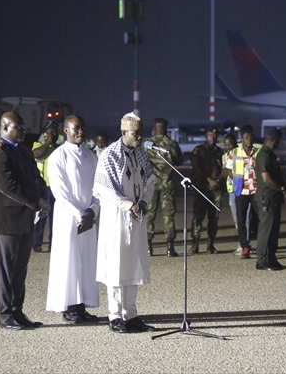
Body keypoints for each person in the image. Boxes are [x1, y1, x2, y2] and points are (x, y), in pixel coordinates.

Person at [0, 112, 50, 330]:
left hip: (24, 220)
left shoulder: (22, 151)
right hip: (7, 221)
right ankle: (4, 315)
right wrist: (37, 201)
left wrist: (44, 196)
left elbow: (36, 177)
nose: (23, 131)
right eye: (18, 127)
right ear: (5, 127)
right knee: (5, 270)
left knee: (20, 270)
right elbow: (8, 187)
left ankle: (17, 312)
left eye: (23, 127)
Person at [93, 113, 155, 333]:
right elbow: (104, 189)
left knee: (132, 265)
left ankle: (131, 314)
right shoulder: (110, 155)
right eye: (134, 133)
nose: (139, 136)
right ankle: (115, 316)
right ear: (123, 133)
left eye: (140, 132)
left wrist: (144, 202)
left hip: (136, 218)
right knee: (116, 266)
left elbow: (149, 182)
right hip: (116, 218)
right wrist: (128, 205)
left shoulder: (141, 155)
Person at [45, 115, 100, 323]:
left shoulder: (91, 156)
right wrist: (80, 214)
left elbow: (98, 189)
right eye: (76, 128)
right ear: (65, 131)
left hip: (88, 217)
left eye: (83, 128)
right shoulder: (58, 156)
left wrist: (93, 210)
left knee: (86, 261)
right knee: (68, 260)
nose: (80, 132)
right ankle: (68, 306)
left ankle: (82, 305)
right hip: (68, 217)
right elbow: (60, 192)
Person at [144, 118, 183, 257]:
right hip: (167, 184)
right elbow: (179, 161)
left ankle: (148, 246)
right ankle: (170, 247)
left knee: (149, 214)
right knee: (168, 215)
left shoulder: (147, 144)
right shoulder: (171, 144)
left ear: (154, 129)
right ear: (166, 130)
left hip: (150, 184)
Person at [254, 127, 286, 271]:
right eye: (278, 141)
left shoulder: (269, 154)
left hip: (272, 198)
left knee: (273, 230)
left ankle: (272, 259)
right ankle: (262, 260)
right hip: (266, 197)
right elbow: (266, 179)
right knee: (266, 230)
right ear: (274, 141)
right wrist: (281, 188)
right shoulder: (264, 155)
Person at [225, 128, 260, 259]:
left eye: (251, 138)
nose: (249, 140)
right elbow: (228, 169)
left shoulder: (258, 153)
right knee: (241, 220)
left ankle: (262, 245)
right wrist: (235, 179)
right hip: (241, 190)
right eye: (247, 138)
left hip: (256, 190)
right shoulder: (235, 153)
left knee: (259, 219)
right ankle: (245, 247)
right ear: (242, 139)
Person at [190, 126, 224, 254]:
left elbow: (225, 169)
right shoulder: (198, 150)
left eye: (215, 135)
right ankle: (195, 243)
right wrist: (208, 179)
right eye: (210, 134)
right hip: (201, 187)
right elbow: (195, 167)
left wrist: (217, 181)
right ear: (206, 135)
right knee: (198, 216)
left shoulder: (220, 152)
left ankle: (211, 244)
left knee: (214, 217)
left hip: (216, 189)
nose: (213, 137)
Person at [31, 121, 60, 252]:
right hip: (41, 187)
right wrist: (47, 142)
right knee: (40, 215)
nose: (52, 135)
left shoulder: (60, 148)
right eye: (49, 132)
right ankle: (36, 242)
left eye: (54, 132)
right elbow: (36, 154)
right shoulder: (38, 145)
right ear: (44, 134)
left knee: (55, 217)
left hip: (55, 187)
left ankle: (53, 243)